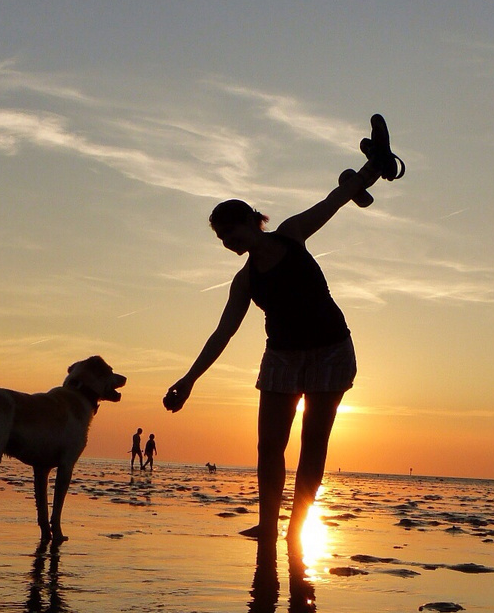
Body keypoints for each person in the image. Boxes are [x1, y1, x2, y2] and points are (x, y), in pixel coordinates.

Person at [163, 115, 403, 551]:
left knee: (314, 444)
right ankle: (269, 524)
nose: (225, 243)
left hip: (330, 350)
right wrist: (188, 380)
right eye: (219, 237)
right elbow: (222, 333)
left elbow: (334, 201)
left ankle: (298, 527)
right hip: (282, 358)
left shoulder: (292, 235)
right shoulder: (245, 280)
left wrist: (368, 173)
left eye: (228, 232)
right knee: (269, 446)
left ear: (251, 223)